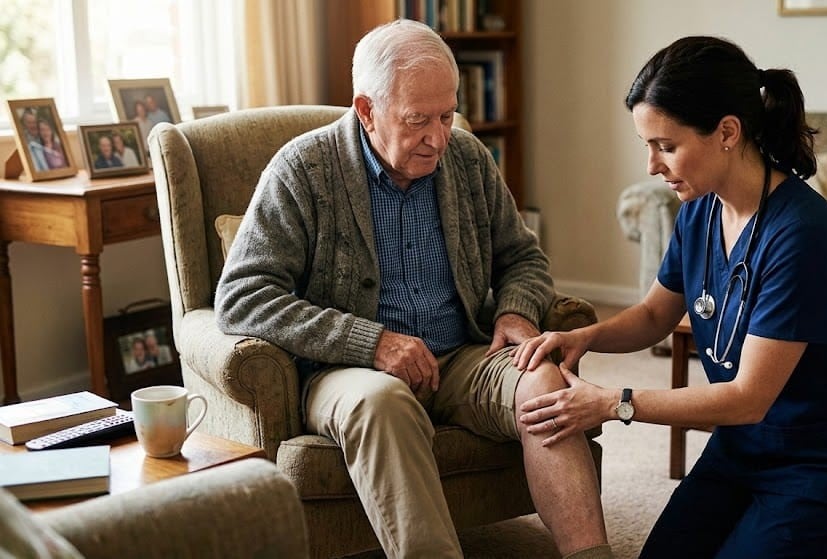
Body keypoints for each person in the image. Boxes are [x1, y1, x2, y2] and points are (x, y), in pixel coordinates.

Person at [215, 19, 611, 559]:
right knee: (384, 402)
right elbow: (242, 297)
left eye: (447, 116)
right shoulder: (302, 169)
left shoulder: (467, 158)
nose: (438, 137)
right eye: (417, 119)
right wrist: (371, 342)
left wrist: (515, 312)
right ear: (366, 110)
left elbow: (521, 256)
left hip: (463, 354)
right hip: (347, 372)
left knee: (542, 383)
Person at [513, 36, 827, 559]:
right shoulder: (698, 212)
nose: (652, 165)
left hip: (819, 456)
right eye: (647, 145)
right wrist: (584, 335)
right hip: (740, 444)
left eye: (666, 145)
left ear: (728, 132)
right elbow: (656, 314)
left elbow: (749, 396)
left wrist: (613, 404)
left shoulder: (802, 233)